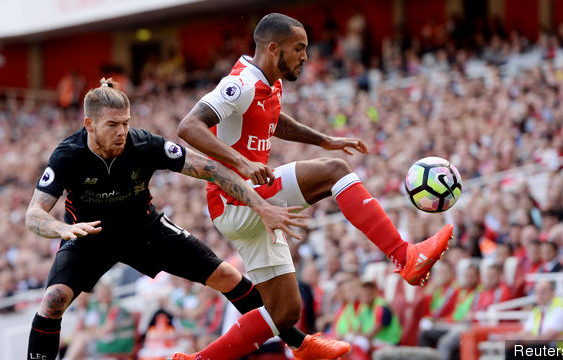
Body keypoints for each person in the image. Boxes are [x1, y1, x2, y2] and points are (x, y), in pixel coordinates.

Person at [170, 12, 452, 360]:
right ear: (273, 49)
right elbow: (189, 126)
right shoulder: (240, 84)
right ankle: (404, 255)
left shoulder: (269, 82)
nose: (306, 56)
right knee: (335, 172)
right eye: (299, 48)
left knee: (285, 311)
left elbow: (274, 120)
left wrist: (323, 139)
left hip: (246, 207)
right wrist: (242, 162)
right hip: (236, 198)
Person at [25, 78, 343, 360]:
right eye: (112, 125)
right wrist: (63, 229)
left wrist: (260, 204)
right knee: (53, 299)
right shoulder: (68, 155)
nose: (122, 131)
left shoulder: (143, 143)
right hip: (87, 236)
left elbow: (211, 169)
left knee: (228, 277)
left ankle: (301, 345)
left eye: (125, 122)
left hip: (144, 230)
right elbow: (35, 215)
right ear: (89, 124)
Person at [505, 280, 563, 360]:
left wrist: (519, 340)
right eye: (537, 291)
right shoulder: (537, 311)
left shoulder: (560, 309)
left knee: (537, 349)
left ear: (552, 293)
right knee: (514, 349)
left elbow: (545, 338)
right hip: (553, 351)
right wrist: (516, 339)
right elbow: (526, 332)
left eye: (544, 291)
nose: (540, 295)